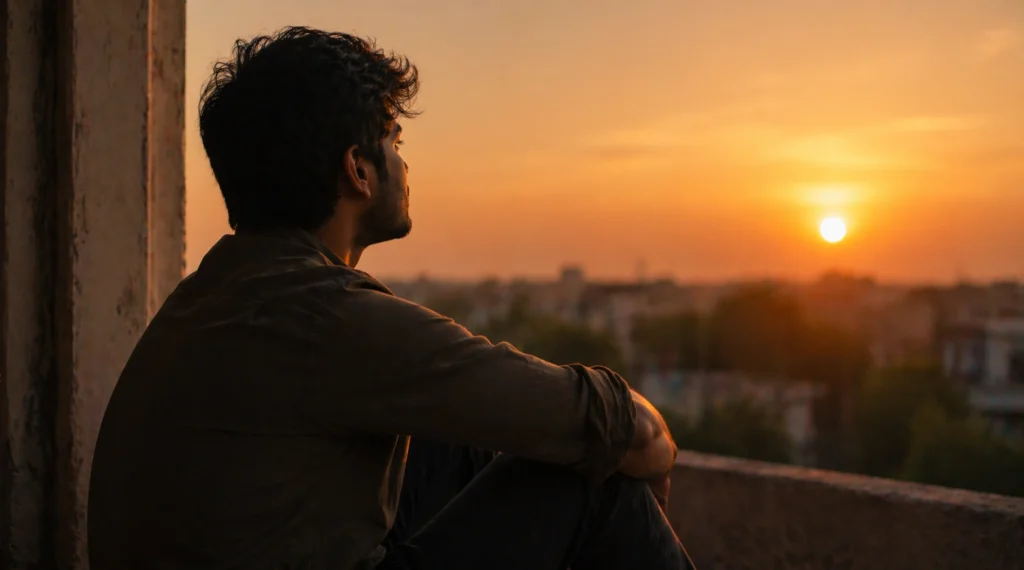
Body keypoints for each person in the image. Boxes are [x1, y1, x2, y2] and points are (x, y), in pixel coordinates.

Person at [88, 26, 694, 570]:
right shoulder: (324, 317)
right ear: (359, 170)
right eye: (394, 139)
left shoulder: (213, 297)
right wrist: (649, 454)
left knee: (448, 442)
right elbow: (612, 422)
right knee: (597, 484)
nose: (405, 163)